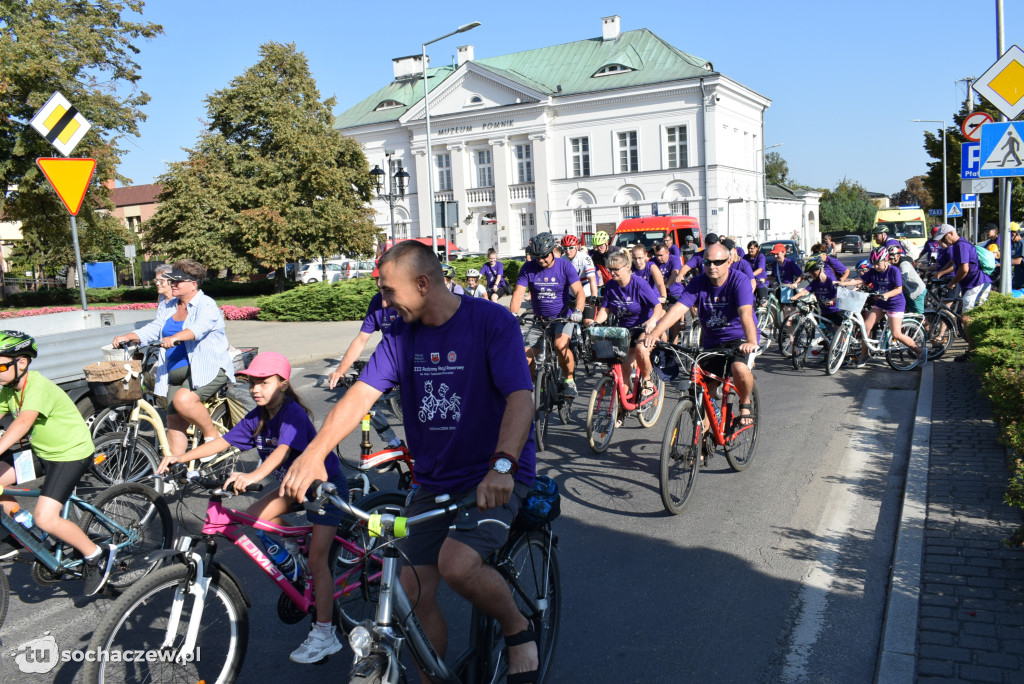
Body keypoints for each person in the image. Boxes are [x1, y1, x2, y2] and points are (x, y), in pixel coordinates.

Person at [280, 240, 539, 681]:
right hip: (434, 480)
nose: (383, 302)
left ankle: (518, 630)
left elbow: (520, 397)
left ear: (422, 283)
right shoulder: (400, 336)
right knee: (411, 592)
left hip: (492, 475)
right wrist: (314, 452)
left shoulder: (489, 322)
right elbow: (362, 394)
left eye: (388, 291)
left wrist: (502, 466)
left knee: (457, 565)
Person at [158, 352, 347, 663]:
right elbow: (225, 441)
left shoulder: (293, 414)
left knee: (318, 562)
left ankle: (325, 633)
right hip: (291, 485)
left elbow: (282, 451)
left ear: (283, 384)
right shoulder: (258, 415)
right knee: (252, 519)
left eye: (264, 382)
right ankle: (294, 549)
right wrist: (182, 457)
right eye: (252, 382)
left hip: (323, 488)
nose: (256, 388)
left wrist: (253, 475)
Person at [0, 332, 115, 595]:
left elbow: (23, 423)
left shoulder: (37, 386)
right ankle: (22, 533)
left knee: (46, 517)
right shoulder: (8, 389)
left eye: (1, 365)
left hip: (69, 454)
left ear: (22, 363)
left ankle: (95, 556)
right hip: (42, 452)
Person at [111, 259, 235, 458]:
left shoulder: (206, 304)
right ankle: (173, 471)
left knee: (183, 401)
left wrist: (176, 337)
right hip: (174, 371)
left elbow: (198, 329)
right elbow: (155, 328)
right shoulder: (170, 306)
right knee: (175, 427)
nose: (172, 285)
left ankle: (213, 437)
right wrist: (130, 336)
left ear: (193, 284)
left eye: (178, 282)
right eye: (172, 281)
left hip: (207, 368)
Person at [645, 242, 760, 428]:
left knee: (739, 368)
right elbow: (678, 309)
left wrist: (751, 341)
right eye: (707, 262)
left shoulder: (739, 281)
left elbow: (745, 313)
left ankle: (745, 404)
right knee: (704, 391)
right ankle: (702, 442)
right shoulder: (698, 282)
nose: (712, 266)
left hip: (739, 338)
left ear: (729, 261)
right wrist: (656, 333)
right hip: (712, 341)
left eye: (717, 262)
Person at [326, 267, 404, 450]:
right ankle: (393, 443)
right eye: (377, 282)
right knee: (366, 403)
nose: (379, 284)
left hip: (413, 367)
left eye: (383, 281)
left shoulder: (407, 301)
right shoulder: (377, 302)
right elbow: (361, 339)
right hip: (391, 365)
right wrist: (340, 370)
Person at [510, 232, 585, 397]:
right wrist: (513, 315)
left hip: (563, 317)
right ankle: (536, 388)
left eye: (544, 257)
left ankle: (569, 380)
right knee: (526, 358)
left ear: (552, 251)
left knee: (560, 345)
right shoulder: (528, 268)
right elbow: (518, 294)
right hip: (539, 320)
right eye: (537, 257)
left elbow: (579, 292)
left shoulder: (565, 266)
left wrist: (578, 311)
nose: (541, 260)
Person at [592, 250, 663, 401]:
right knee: (623, 365)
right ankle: (621, 409)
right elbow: (606, 309)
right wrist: (596, 323)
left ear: (627, 267)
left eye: (616, 269)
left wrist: (652, 322)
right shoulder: (611, 285)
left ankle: (647, 380)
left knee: (641, 349)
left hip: (643, 327)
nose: (612, 273)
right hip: (625, 330)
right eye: (610, 270)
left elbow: (658, 307)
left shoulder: (639, 283)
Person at [840, 247, 923, 366]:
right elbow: (859, 280)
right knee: (866, 327)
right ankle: (865, 354)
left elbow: (898, 289)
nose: (876, 267)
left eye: (878, 264)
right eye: (874, 264)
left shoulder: (894, 271)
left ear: (886, 260)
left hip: (895, 304)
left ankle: (920, 352)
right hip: (881, 302)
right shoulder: (873, 271)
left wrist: (886, 294)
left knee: (896, 334)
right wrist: (842, 283)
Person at [932, 224, 992, 311]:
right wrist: (940, 273)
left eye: (944, 238)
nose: (943, 241)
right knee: (963, 316)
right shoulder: (957, 245)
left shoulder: (961, 245)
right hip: (969, 285)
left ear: (951, 233)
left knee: (967, 317)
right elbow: (952, 261)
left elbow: (964, 269)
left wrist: (953, 282)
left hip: (976, 284)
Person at [791, 256, 846, 328]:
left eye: (812, 272)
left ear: (820, 270)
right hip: (824, 311)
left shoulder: (830, 281)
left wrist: (832, 300)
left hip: (836, 310)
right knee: (825, 332)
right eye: (809, 273)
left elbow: (840, 293)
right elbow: (805, 291)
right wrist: (794, 297)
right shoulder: (815, 282)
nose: (810, 275)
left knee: (837, 331)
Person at [888, 245, 926, 314]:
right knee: (909, 314)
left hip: (916, 292)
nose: (889, 261)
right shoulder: (894, 264)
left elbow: (902, 279)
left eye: (891, 259)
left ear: (897, 256)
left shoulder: (904, 264)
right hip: (908, 291)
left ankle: (927, 325)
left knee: (919, 317)